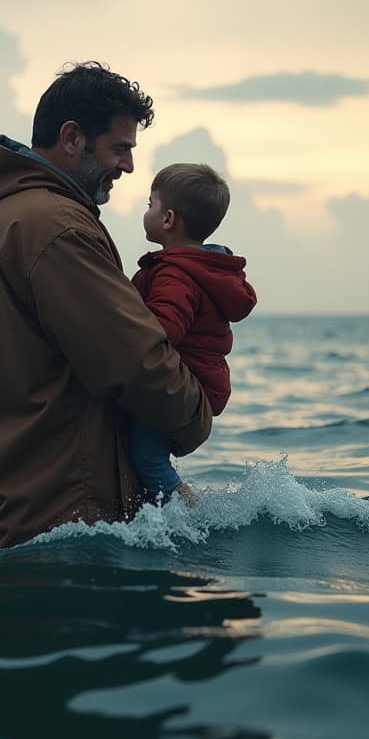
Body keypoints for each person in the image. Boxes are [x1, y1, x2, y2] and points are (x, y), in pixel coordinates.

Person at [0, 63, 212, 549]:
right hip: (63, 526)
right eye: (120, 148)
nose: (129, 167)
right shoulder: (56, 227)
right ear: (72, 138)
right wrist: (197, 413)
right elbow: (136, 362)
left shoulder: (1, 219)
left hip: (13, 517)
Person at [129, 163, 257, 501]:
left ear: (168, 219)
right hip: (202, 384)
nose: (147, 211)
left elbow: (164, 328)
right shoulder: (201, 268)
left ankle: (190, 511)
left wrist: (120, 322)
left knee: (147, 455)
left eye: (150, 204)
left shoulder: (176, 273)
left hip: (183, 388)